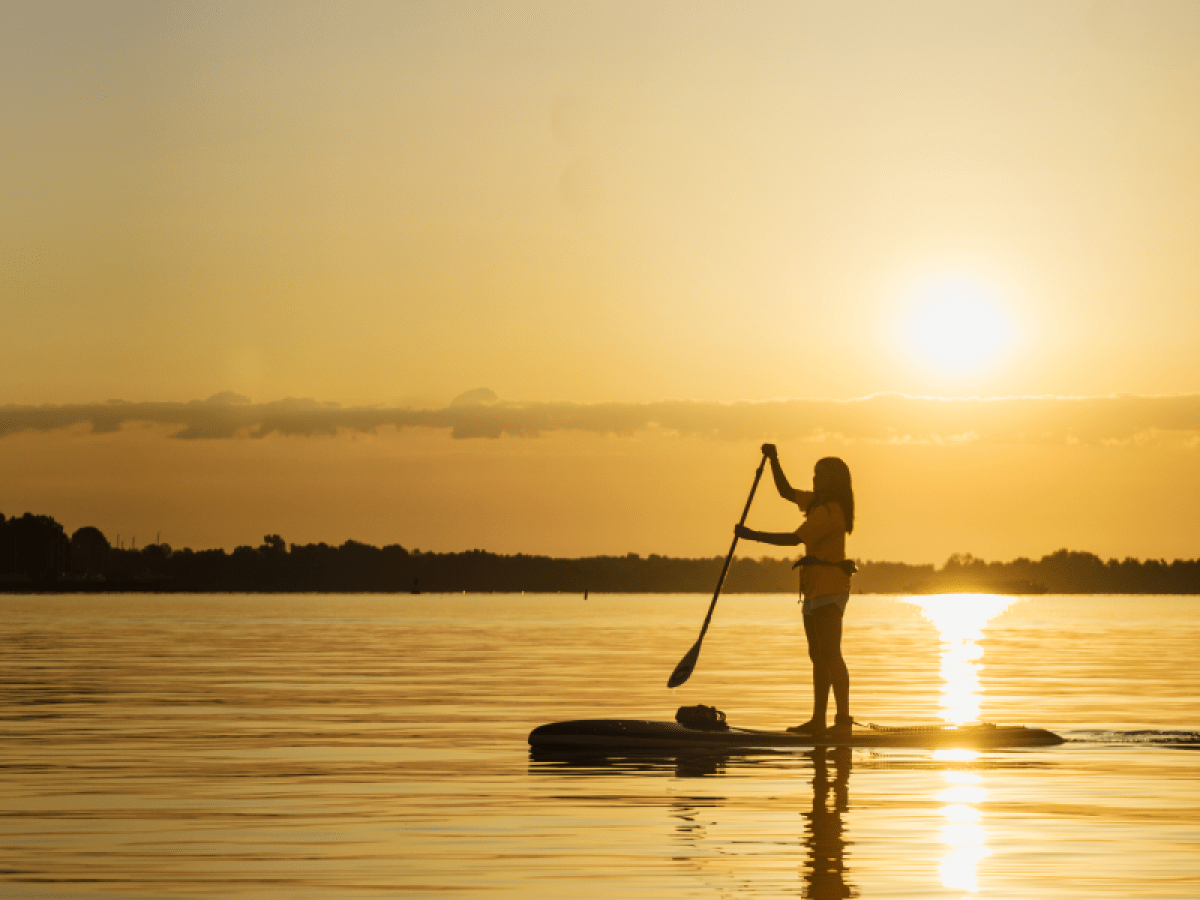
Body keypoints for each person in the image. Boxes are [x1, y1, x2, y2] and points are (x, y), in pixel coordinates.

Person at [735, 444, 856, 737]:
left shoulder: (831, 511)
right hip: (813, 589)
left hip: (830, 587)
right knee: (817, 656)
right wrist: (774, 460)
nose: (815, 480)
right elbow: (786, 492)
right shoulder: (816, 503)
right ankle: (818, 720)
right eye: (814, 475)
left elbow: (793, 539)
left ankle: (842, 722)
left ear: (834, 481)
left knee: (831, 654)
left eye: (821, 476)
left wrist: (752, 536)